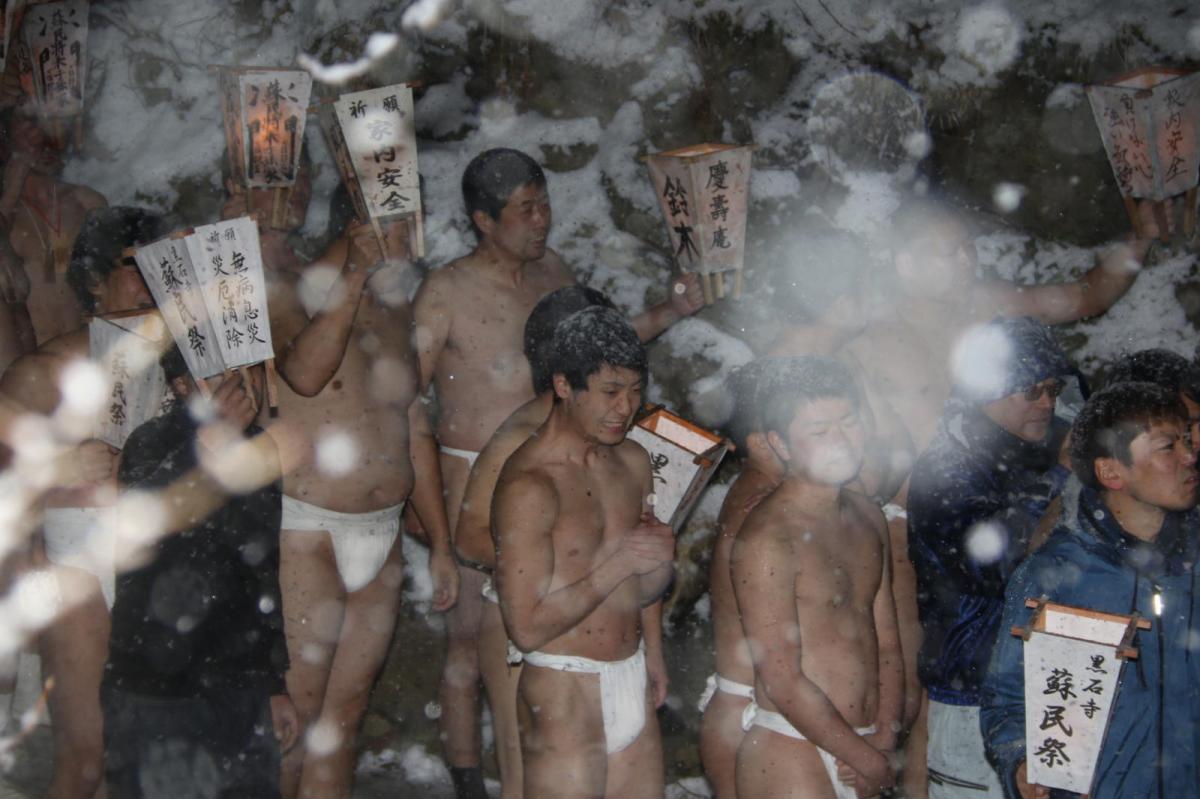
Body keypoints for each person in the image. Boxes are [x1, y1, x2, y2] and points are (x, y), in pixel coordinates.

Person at [413, 147, 701, 798]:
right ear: (483, 220)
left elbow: (606, 352)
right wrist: (431, 521)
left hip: (608, 610)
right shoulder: (449, 294)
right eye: (525, 207)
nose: (541, 218)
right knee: (472, 658)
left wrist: (671, 312)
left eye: (545, 202)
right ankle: (466, 780)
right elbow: (407, 401)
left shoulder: (559, 285)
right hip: (493, 506)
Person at [257, 182, 459, 799]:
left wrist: (442, 543)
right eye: (403, 222)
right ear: (360, 224)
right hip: (307, 529)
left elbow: (413, 425)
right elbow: (305, 374)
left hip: (383, 530)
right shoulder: (289, 292)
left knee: (340, 722)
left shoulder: (398, 308)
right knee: (296, 716)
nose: (414, 236)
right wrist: (356, 272)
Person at [454, 286, 669, 799]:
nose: (626, 407)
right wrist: (616, 565)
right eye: (611, 391)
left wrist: (659, 560)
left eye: (636, 391)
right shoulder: (529, 484)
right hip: (563, 684)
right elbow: (525, 628)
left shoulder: (633, 462)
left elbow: (646, 584)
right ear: (563, 385)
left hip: (630, 672)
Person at [0, 207, 165, 799]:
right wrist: (55, 473)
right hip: (81, 568)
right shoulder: (47, 370)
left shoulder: (189, 366)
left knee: (150, 757)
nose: (150, 281)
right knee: (87, 754)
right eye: (133, 267)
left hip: (167, 566)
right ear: (95, 279)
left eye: (162, 266)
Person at [981, 381, 1200, 799]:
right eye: (1167, 447)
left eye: (1188, 440)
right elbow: (1009, 696)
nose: (1190, 457)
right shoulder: (1060, 574)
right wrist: (1022, 761)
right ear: (1111, 472)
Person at [102, 348, 298, 798]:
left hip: (237, 684)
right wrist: (203, 449)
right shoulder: (150, 442)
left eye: (244, 370)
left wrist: (274, 684)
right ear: (182, 387)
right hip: (157, 686)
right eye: (217, 376)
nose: (238, 385)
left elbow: (262, 576)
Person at [906, 316, 1076, 798]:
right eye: (1031, 391)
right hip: (973, 690)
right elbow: (993, 565)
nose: (1047, 401)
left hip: (1049, 680)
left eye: (1053, 388)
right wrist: (1059, 479)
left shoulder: (1039, 443)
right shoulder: (947, 467)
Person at [846, 195, 1154, 453]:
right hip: (922, 499)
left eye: (969, 246)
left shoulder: (989, 302)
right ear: (907, 264)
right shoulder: (870, 340)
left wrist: (1140, 240)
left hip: (1002, 480)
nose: (968, 261)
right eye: (950, 252)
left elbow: (1085, 298)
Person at [732, 355, 903, 799]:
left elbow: (886, 637)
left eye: (849, 422)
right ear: (781, 444)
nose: (840, 442)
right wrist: (868, 759)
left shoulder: (868, 516)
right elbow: (781, 676)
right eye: (819, 431)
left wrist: (886, 731)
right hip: (792, 748)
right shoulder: (768, 540)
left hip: (866, 742)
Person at [697, 359, 783, 799]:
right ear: (763, 441)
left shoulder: (761, 493)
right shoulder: (763, 508)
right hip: (753, 714)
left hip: (743, 708)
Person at [0, 109, 107, 346]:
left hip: (85, 354)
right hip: (31, 363)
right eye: (31, 128)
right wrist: (18, 168)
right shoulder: (8, 214)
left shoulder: (88, 202)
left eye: (52, 128)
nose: (44, 137)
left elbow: (110, 282)